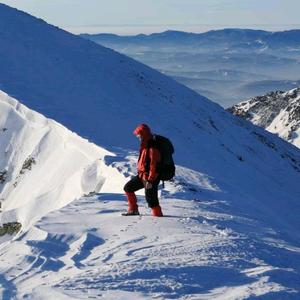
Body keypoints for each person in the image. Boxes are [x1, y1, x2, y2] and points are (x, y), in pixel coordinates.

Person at [123, 124, 163, 217]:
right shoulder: (145, 144)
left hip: (150, 177)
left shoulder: (152, 146)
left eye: (139, 135)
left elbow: (154, 164)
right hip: (142, 175)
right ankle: (133, 210)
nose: (138, 137)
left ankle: (159, 217)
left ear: (143, 134)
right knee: (128, 188)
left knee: (151, 200)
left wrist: (150, 179)